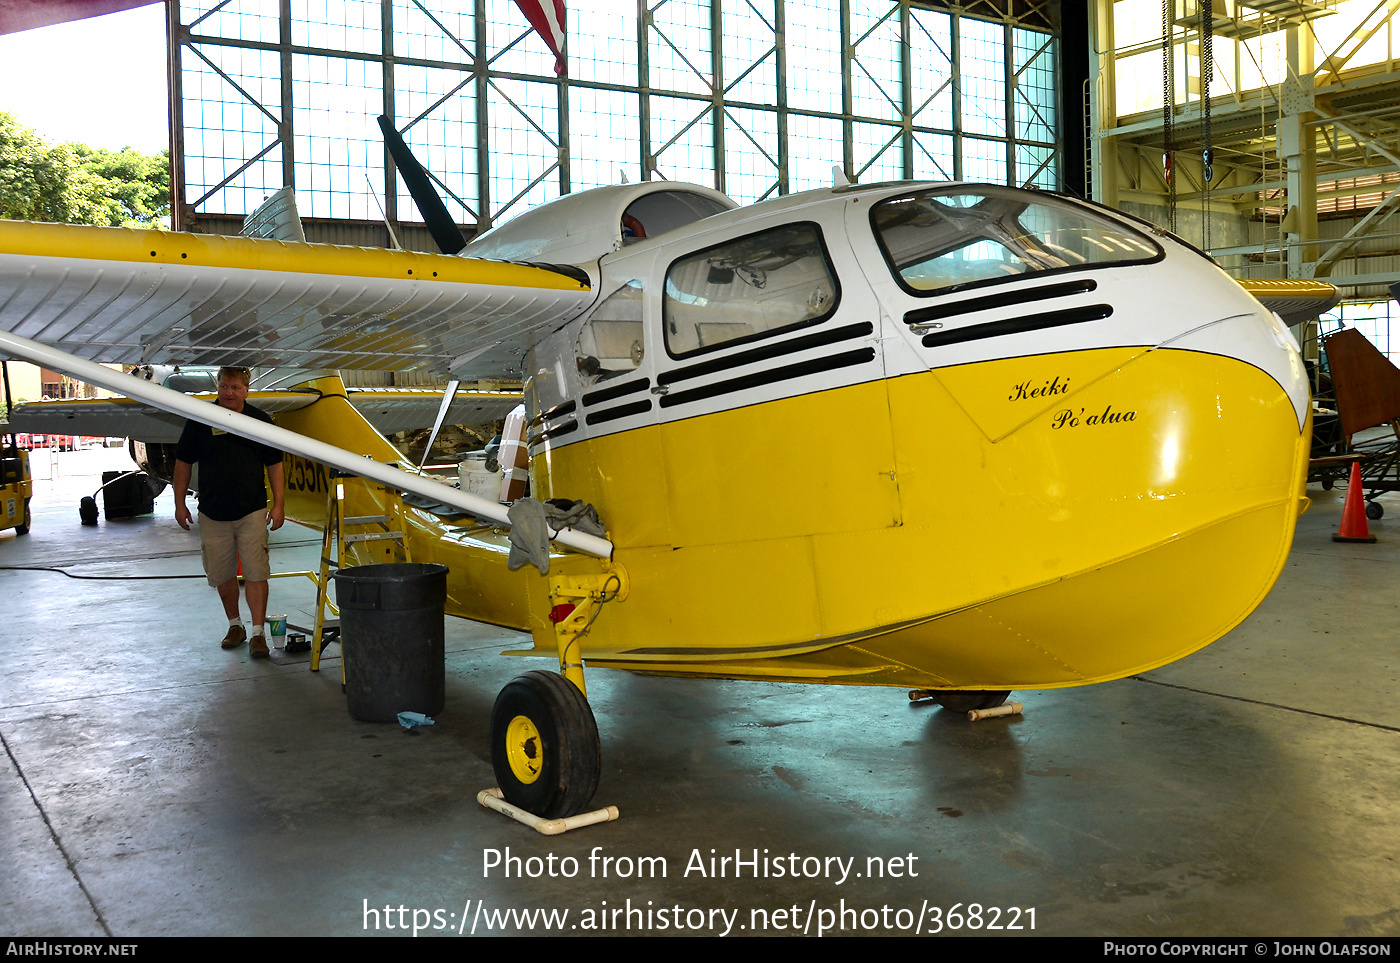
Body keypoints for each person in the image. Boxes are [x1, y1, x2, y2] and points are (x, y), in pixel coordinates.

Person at [173, 366, 286, 658]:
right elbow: (183, 463)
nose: (229, 393)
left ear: (246, 390)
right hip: (212, 514)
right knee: (222, 573)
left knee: (256, 572)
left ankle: (259, 633)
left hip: (251, 512)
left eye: (235, 387)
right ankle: (235, 625)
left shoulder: (261, 421)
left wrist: (279, 504)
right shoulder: (200, 419)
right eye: (224, 386)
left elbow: (275, 464)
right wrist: (179, 503)